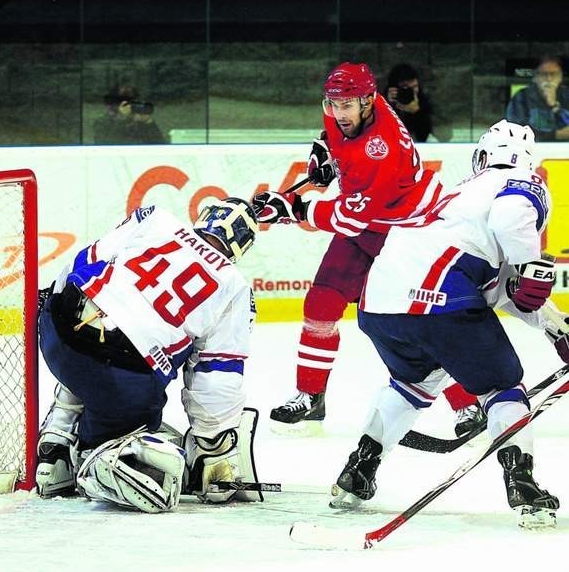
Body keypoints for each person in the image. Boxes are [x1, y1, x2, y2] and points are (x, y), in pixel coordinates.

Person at [331, 119, 566, 529]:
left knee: (412, 383)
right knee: (502, 387)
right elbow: (512, 223)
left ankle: (357, 472)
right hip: (438, 299)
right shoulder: (522, 184)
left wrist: (556, 328)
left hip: (379, 304)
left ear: (481, 156)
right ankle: (523, 485)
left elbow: (497, 287)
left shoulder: (456, 194)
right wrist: (531, 267)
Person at [253, 61, 483, 437]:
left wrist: (292, 209)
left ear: (367, 102)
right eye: (333, 104)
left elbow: (349, 219)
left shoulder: (383, 148)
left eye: (346, 105)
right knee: (321, 303)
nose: (338, 112)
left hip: (409, 230)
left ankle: (467, 405)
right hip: (372, 220)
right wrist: (322, 153)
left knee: (414, 322)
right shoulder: (349, 109)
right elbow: (334, 139)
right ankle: (311, 396)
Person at [35, 197, 263, 512]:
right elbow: (215, 376)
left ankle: (56, 440)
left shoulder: (157, 218)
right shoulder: (234, 287)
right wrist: (213, 445)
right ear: (242, 246)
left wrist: (54, 299)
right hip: (119, 383)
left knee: (100, 323)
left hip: (55, 330)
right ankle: (96, 457)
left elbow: (89, 256)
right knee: (140, 429)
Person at [506, 54, 569, 142]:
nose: (549, 79)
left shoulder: (567, 95)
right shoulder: (522, 97)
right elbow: (515, 130)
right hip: (532, 148)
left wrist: (555, 106)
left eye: (553, 74)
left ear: (560, 77)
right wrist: (554, 135)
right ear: (535, 77)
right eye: (544, 74)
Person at [93, 84, 169, 145]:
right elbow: (104, 145)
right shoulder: (103, 122)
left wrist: (148, 122)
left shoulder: (140, 122)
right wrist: (122, 119)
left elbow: (160, 145)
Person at [383, 63, 433, 142]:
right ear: (393, 89)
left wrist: (418, 112)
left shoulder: (423, 101)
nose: (411, 91)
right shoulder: (381, 102)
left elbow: (445, 136)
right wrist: (387, 106)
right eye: (405, 88)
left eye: (415, 86)